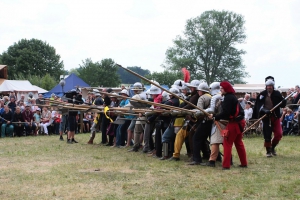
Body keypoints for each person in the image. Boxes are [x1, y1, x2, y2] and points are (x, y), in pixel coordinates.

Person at [208, 81, 247, 170]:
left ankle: (226, 165)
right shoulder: (233, 97)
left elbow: (225, 113)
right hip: (240, 121)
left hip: (234, 123)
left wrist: (214, 116)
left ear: (226, 89)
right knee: (238, 143)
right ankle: (244, 163)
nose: (220, 90)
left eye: (222, 88)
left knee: (227, 143)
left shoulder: (228, 98)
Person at [252, 76, 286, 157]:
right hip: (266, 118)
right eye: (268, 86)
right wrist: (264, 110)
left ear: (273, 86)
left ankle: (272, 147)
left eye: (271, 86)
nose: (269, 87)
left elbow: (282, 105)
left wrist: (284, 101)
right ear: (266, 86)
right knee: (267, 135)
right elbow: (258, 106)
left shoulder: (277, 94)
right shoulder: (262, 94)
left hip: (275, 117)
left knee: (278, 134)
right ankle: (268, 151)